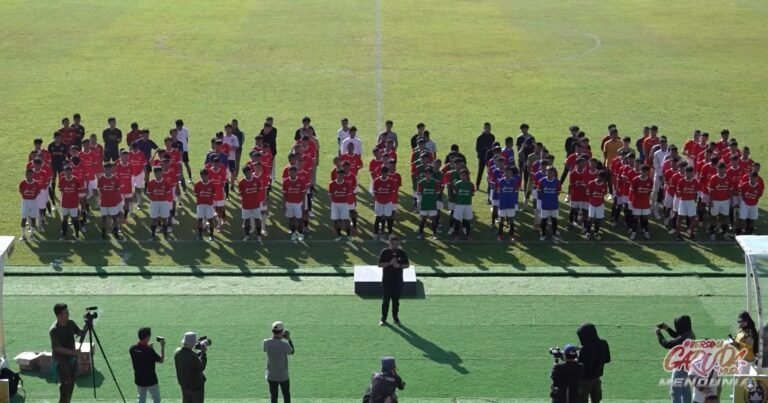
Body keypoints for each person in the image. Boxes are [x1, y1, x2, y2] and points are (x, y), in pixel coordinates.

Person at [50, 303, 84, 403]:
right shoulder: (54, 330)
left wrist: (87, 325)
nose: (68, 314)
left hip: (72, 359)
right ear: (59, 315)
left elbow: (79, 332)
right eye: (66, 313)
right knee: (65, 386)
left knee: (71, 383)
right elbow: (57, 348)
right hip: (61, 362)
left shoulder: (70, 323)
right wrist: (74, 352)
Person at [657, 315, 695, 403]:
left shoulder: (683, 338)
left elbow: (667, 344)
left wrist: (659, 335)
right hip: (687, 369)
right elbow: (677, 335)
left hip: (679, 369)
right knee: (686, 392)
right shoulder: (690, 335)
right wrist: (666, 328)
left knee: (675, 393)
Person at [378, 235, 409, 326]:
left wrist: (399, 266)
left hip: (398, 280)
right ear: (389, 243)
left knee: (396, 301)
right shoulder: (385, 252)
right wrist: (390, 263)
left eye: (396, 243)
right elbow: (379, 265)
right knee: (386, 300)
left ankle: (396, 318)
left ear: (399, 243)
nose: (394, 245)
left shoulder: (402, 253)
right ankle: (383, 319)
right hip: (387, 280)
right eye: (393, 243)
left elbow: (407, 265)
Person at [576, 324, 611, 403]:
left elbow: (579, 366)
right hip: (597, 378)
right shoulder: (603, 343)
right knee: (596, 400)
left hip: (584, 381)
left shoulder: (584, 349)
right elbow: (607, 359)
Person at [130, 327, 165, 403]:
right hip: (151, 380)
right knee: (156, 399)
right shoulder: (149, 351)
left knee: (141, 399)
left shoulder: (132, 349)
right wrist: (162, 347)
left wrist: (148, 347)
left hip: (139, 379)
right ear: (147, 337)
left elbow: (141, 352)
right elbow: (161, 360)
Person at [263, 321, 295, 403]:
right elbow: (291, 352)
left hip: (271, 374)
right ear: (281, 332)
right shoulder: (284, 345)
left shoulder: (266, 342)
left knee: (273, 396)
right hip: (283, 375)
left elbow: (265, 349)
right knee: (286, 395)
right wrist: (288, 339)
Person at [174, 332, 207, 403]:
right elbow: (201, 367)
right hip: (196, 388)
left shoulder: (177, 353)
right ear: (192, 343)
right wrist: (203, 354)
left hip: (184, 386)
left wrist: (197, 354)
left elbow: (188, 360)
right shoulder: (192, 356)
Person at [96, 162, 124, 240]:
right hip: (104, 202)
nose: (108, 171)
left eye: (109, 169)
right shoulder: (101, 179)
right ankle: (103, 234)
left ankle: (116, 234)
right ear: (104, 170)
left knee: (114, 218)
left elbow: (117, 191)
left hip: (113, 203)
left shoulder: (116, 179)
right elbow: (100, 190)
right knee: (103, 218)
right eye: (106, 169)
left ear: (112, 170)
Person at [329, 169, 353, 240]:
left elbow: (349, 195)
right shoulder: (332, 184)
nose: (340, 176)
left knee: (345, 219)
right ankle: (339, 235)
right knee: (337, 220)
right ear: (336, 175)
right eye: (339, 175)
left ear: (343, 176)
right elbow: (331, 195)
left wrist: (347, 204)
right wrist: (333, 203)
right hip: (335, 204)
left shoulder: (347, 184)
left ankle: (348, 235)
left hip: (344, 204)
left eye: (341, 175)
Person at [538, 167, 562, 241]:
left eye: (551, 172)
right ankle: (543, 234)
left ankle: (554, 234)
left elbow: (558, 192)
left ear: (554, 173)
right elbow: (540, 192)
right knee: (544, 220)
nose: (550, 174)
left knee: (554, 220)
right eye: (548, 172)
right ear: (546, 172)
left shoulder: (557, 182)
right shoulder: (542, 181)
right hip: (545, 204)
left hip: (554, 204)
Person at [372, 166, 396, 240]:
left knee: (389, 218)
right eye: (383, 172)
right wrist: (378, 200)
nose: (384, 174)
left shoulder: (391, 181)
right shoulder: (376, 181)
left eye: (385, 173)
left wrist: (388, 201)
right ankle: (376, 234)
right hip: (379, 202)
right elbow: (375, 192)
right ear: (381, 172)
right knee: (378, 217)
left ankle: (390, 233)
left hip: (388, 202)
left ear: (387, 173)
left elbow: (392, 193)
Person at [451, 169, 475, 240]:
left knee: (467, 221)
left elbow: (472, 194)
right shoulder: (457, 184)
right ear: (460, 176)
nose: (463, 176)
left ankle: (467, 235)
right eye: (462, 175)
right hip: (459, 205)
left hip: (467, 205)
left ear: (467, 176)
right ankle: (456, 235)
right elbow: (454, 193)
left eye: (465, 175)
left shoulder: (471, 185)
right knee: (457, 220)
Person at [19, 169, 43, 240]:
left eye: (30, 174)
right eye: (27, 174)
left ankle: (32, 235)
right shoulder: (22, 183)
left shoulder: (36, 183)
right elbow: (21, 192)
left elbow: (38, 192)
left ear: (33, 175)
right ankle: (23, 235)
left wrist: (32, 197)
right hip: (25, 202)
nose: (29, 176)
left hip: (33, 202)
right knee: (23, 218)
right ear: (25, 175)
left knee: (33, 218)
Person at [475, 122, 495, 189]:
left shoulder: (492, 137)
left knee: (490, 171)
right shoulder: (480, 138)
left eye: (489, 128)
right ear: (484, 128)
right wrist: (482, 152)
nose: (488, 129)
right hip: (482, 157)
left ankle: (490, 184)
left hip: (490, 157)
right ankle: (477, 185)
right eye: (487, 128)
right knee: (480, 171)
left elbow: (493, 147)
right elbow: (477, 148)